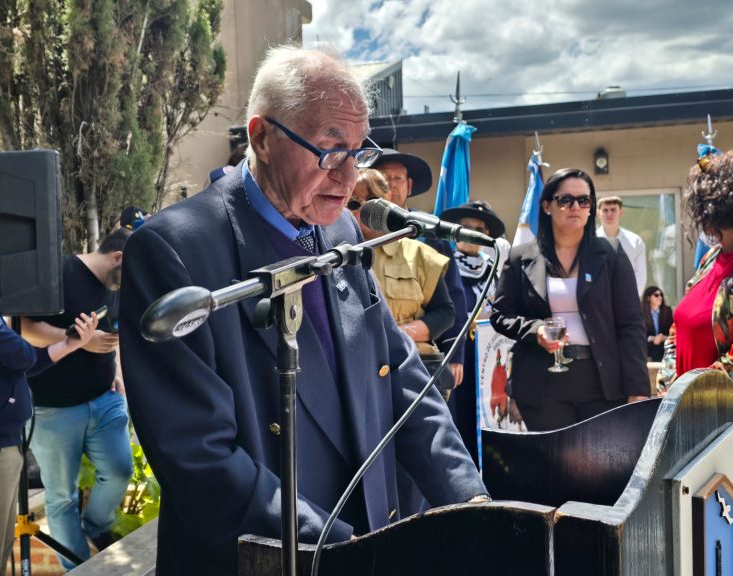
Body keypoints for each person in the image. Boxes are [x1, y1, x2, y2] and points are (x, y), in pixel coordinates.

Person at [118, 46, 488, 575]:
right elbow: (198, 458)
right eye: (330, 149)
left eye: (358, 151)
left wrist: (472, 504)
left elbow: (402, 379)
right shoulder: (175, 249)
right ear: (262, 138)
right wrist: (342, 549)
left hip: (366, 539)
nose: (348, 176)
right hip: (273, 557)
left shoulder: (339, 231)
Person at [0, 208, 98, 576]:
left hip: (1, 446)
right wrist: (22, 338)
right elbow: (20, 354)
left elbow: (24, 361)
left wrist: (71, 343)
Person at [490, 168, 650, 431]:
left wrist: (638, 389)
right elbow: (500, 314)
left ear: (591, 208)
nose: (575, 207)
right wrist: (536, 330)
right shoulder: (520, 257)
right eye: (565, 200)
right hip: (541, 384)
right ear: (547, 206)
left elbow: (631, 324)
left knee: (600, 457)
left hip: (602, 383)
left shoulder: (611, 254)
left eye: (584, 200)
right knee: (555, 457)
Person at [20, 228, 134, 569]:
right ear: (117, 258)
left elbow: (112, 332)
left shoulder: (115, 284)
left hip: (105, 399)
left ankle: (95, 527)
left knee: (120, 470)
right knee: (61, 497)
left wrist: (117, 370)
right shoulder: (59, 272)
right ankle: (79, 568)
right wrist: (77, 340)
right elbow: (24, 326)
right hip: (53, 409)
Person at [349, 168, 455, 393]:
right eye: (354, 203)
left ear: (387, 200)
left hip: (413, 370)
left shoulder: (419, 254)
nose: (364, 210)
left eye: (372, 200)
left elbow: (445, 313)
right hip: (359, 374)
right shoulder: (332, 258)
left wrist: (398, 334)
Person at [371, 149, 468, 390]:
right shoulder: (351, 236)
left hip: (421, 361)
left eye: (397, 178)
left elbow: (453, 300)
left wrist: (454, 353)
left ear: (409, 186)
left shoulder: (429, 233)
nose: (391, 185)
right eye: (384, 178)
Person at [657, 150, 733, 396]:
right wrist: (668, 389)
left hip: (726, 412)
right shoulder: (710, 258)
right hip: (683, 407)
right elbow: (677, 328)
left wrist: (690, 397)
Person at [440, 201, 506, 458]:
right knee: (459, 421)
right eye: (465, 227)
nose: (471, 233)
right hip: (457, 356)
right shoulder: (443, 265)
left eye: (478, 229)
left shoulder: (492, 268)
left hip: (488, 359)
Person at [596, 196, 647, 296]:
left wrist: (631, 300)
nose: (609, 214)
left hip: (627, 300)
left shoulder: (635, 241)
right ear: (598, 213)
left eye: (613, 210)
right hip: (598, 301)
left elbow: (641, 277)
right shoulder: (590, 241)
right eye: (605, 210)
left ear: (621, 212)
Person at [642, 286, 673, 362]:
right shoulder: (641, 312)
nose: (660, 297)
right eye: (656, 295)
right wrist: (652, 338)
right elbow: (640, 333)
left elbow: (671, 331)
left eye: (661, 295)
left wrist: (662, 337)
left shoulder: (667, 311)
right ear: (648, 298)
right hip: (647, 348)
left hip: (664, 348)